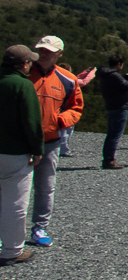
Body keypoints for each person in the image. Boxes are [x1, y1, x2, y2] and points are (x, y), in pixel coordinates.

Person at [27, 35, 85, 248]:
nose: (43, 54)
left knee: (45, 187)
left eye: (49, 51)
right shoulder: (23, 73)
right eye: (41, 49)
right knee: (12, 188)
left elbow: (76, 107)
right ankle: (8, 229)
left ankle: (39, 227)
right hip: (19, 142)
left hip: (49, 141)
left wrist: (59, 121)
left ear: (59, 54)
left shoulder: (68, 79)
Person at [0, 45, 43, 267]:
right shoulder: (23, 85)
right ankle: (11, 250)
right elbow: (32, 122)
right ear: (24, 64)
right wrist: (37, 149)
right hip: (14, 152)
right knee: (15, 203)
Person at [96, 54, 128, 170]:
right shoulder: (114, 76)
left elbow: (120, 84)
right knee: (115, 135)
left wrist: (127, 75)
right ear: (119, 64)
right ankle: (109, 160)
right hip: (119, 107)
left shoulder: (106, 75)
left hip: (111, 106)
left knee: (111, 134)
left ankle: (108, 158)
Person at [55, 64, 93, 159]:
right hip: (66, 108)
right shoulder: (69, 82)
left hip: (58, 107)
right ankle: (63, 150)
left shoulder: (56, 78)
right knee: (66, 131)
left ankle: (59, 148)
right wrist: (92, 73)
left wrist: (85, 72)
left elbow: (75, 77)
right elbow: (83, 82)